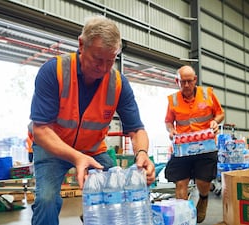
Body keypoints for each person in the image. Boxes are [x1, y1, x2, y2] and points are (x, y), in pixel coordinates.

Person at [29, 15, 155, 225]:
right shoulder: (54, 72)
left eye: (111, 60)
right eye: (98, 60)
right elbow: (40, 129)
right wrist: (77, 158)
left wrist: (142, 153)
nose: (104, 68)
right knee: (46, 199)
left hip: (93, 149)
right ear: (81, 45)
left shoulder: (118, 83)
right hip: (53, 148)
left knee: (122, 189)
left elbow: (137, 129)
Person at [164, 65, 225, 223]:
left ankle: (203, 198)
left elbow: (220, 113)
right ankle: (182, 216)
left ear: (195, 80)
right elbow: (169, 122)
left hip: (205, 146)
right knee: (181, 182)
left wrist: (214, 121)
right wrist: (171, 131)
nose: (186, 85)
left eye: (189, 81)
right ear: (177, 81)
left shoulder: (208, 94)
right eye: (182, 82)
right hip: (183, 148)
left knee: (202, 181)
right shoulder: (173, 100)